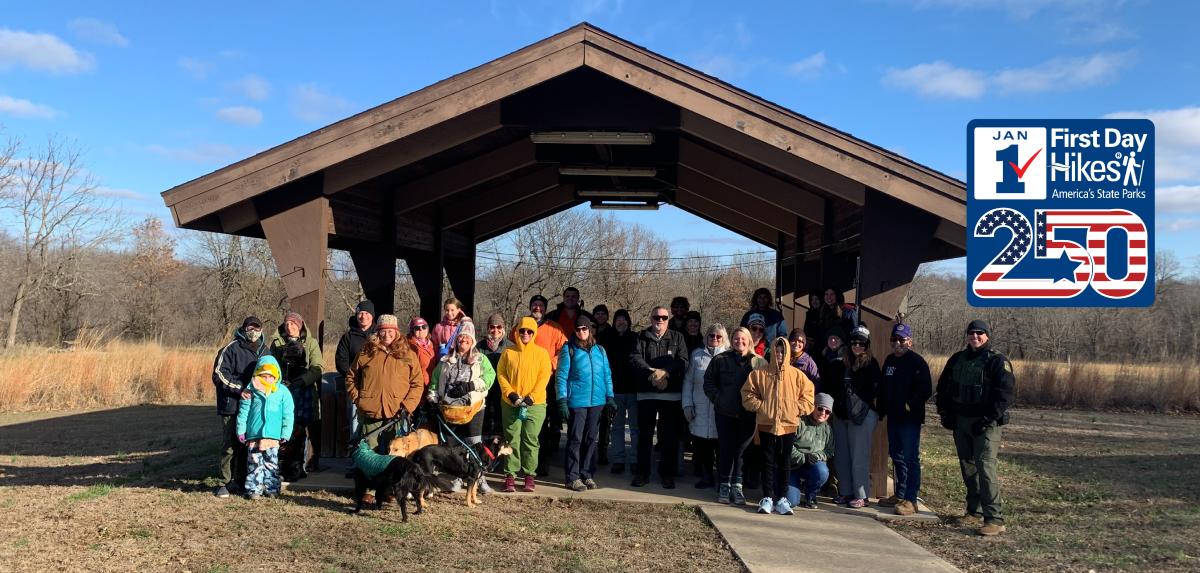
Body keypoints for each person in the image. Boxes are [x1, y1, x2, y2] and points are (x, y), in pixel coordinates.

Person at [935, 319, 1014, 536]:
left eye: (980, 333)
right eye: (972, 333)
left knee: (985, 468)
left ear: (987, 336)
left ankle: (994, 518)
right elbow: (943, 388)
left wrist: (988, 418)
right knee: (967, 467)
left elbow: (1004, 394)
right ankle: (974, 510)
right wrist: (945, 413)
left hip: (986, 424)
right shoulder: (957, 359)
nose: (975, 336)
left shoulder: (997, 361)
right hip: (961, 421)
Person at [742, 337, 815, 515]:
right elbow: (747, 394)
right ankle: (767, 497)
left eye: (783, 351)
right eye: (777, 350)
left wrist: (795, 409)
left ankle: (782, 498)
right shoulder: (760, 373)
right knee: (767, 461)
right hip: (767, 424)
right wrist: (761, 407)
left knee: (785, 462)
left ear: (788, 353)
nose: (780, 354)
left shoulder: (797, 375)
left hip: (788, 425)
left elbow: (809, 396)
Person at [428, 321, 496, 493]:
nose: (463, 341)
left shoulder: (481, 359)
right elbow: (435, 381)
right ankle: (457, 478)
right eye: (461, 338)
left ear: (472, 341)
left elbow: (490, 377)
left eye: (467, 339)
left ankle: (480, 479)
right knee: (453, 446)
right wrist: (432, 399)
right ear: (456, 340)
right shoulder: (445, 360)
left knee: (475, 444)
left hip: (473, 408)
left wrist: (471, 385)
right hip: (450, 409)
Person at [704, 327, 766, 505]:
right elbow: (708, 382)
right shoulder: (720, 360)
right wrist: (718, 398)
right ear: (731, 340)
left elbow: (765, 388)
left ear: (749, 340)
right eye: (736, 339)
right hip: (725, 413)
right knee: (726, 449)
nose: (740, 342)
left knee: (741, 451)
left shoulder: (759, 362)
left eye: (743, 339)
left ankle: (737, 486)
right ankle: (724, 484)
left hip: (748, 415)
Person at [629, 305, 689, 488]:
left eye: (663, 317)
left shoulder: (678, 337)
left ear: (668, 320)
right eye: (656, 317)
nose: (660, 321)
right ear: (651, 318)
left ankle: (666, 474)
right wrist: (652, 373)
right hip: (646, 393)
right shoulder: (640, 337)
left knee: (668, 437)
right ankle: (642, 473)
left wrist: (665, 373)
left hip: (670, 395)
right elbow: (634, 358)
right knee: (644, 435)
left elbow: (683, 361)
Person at [877, 323, 933, 516]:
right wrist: (882, 408)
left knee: (910, 458)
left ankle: (911, 499)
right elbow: (884, 387)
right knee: (896, 456)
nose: (898, 344)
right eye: (894, 340)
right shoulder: (889, 361)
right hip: (893, 418)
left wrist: (909, 405)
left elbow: (925, 389)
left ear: (910, 341)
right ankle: (900, 494)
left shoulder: (917, 362)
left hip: (909, 420)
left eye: (902, 340)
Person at [556, 316, 615, 491]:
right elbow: (561, 376)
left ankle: (587, 474)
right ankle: (572, 477)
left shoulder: (600, 351)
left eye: (585, 328)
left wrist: (610, 397)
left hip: (597, 401)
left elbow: (607, 375)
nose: (581, 332)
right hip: (577, 401)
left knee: (591, 439)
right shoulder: (569, 349)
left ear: (590, 330)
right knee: (575, 439)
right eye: (578, 329)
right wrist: (562, 399)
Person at [211, 316, 268, 498]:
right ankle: (224, 483)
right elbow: (219, 375)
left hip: (254, 407)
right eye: (250, 328)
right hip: (232, 405)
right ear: (243, 329)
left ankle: (243, 481)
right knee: (230, 445)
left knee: (247, 445)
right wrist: (239, 390)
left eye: (257, 328)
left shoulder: (265, 351)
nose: (253, 332)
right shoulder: (231, 349)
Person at [497, 316, 553, 492]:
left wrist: (532, 398)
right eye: (522, 331)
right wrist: (511, 394)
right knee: (512, 439)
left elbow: (544, 377)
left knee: (530, 439)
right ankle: (510, 475)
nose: (526, 334)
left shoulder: (542, 354)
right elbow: (501, 374)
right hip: (511, 403)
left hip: (535, 405)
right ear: (517, 332)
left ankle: (529, 475)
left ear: (534, 332)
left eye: (529, 331)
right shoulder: (508, 353)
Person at [827, 325, 881, 509]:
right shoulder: (840, 363)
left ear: (867, 345)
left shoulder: (872, 365)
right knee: (842, 456)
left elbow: (874, 390)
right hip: (842, 415)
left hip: (862, 416)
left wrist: (858, 403)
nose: (857, 346)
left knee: (859, 456)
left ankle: (862, 495)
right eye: (854, 342)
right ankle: (846, 492)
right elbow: (832, 388)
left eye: (862, 343)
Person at [270, 311, 323, 480]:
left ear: (300, 326)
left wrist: (302, 380)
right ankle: (281, 465)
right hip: (283, 390)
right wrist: (279, 381)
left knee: (302, 429)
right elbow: (271, 365)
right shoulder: (277, 343)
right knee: (284, 428)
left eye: (293, 324)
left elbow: (317, 367)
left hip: (304, 390)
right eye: (287, 324)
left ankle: (301, 465)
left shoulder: (311, 343)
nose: (290, 327)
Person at [236, 355, 294, 500]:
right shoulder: (250, 390)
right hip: (254, 434)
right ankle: (253, 490)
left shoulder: (282, 391)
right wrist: (241, 430)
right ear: (257, 374)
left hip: (273, 436)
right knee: (254, 464)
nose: (267, 379)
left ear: (276, 375)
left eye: (270, 376)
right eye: (263, 375)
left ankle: (272, 488)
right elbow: (243, 412)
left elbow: (288, 414)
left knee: (271, 463)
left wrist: (285, 433)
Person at [682, 323, 728, 489]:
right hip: (699, 409)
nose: (714, 339)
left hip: (721, 410)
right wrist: (687, 405)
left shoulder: (729, 357)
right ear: (706, 336)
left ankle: (723, 479)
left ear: (724, 338)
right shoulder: (696, 356)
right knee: (703, 447)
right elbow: (688, 383)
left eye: (718, 336)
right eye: (711, 335)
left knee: (721, 448)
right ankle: (707, 476)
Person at [528, 294, 569, 476]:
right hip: (525, 382)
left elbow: (564, 351)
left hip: (547, 382)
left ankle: (542, 462)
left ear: (545, 308)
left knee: (543, 423)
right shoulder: (522, 326)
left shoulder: (555, 328)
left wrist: (548, 365)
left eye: (541, 305)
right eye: (534, 305)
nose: (538, 308)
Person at [335, 301, 376, 477]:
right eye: (360, 313)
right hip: (355, 388)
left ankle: (372, 462)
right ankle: (355, 463)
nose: (363, 316)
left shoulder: (379, 334)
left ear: (372, 316)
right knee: (355, 425)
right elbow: (340, 361)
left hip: (375, 389)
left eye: (366, 313)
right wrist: (354, 377)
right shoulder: (348, 337)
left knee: (373, 426)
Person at [599, 308, 639, 475]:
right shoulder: (607, 339)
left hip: (634, 390)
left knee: (636, 428)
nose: (621, 323)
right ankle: (618, 459)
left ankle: (635, 459)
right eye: (618, 320)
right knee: (617, 427)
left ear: (628, 322)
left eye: (624, 320)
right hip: (615, 390)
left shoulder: (636, 338)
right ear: (614, 322)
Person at [786, 393, 835, 510]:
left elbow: (829, 451)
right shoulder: (799, 422)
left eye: (827, 411)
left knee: (822, 471)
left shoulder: (828, 429)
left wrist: (816, 456)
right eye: (820, 408)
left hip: (812, 466)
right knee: (791, 502)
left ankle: (810, 495)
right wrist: (803, 457)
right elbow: (787, 446)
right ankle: (789, 486)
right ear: (813, 406)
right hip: (792, 466)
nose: (823, 413)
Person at [480, 313, 513, 438]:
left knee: (502, 424)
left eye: (499, 327)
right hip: (486, 389)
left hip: (503, 389)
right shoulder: (479, 346)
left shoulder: (510, 346)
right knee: (486, 425)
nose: (495, 330)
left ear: (503, 328)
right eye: (492, 327)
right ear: (488, 328)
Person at [591, 304, 613, 464]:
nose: (600, 316)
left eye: (602, 314)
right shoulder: (589, 334)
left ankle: (603, 450)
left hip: (607, 380)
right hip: (591, 382)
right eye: (597, 313)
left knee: (606, 420)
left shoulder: (612, 333)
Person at [787, 328, 822, 395]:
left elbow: (816, 383)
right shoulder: (783, 357)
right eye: (794, 340)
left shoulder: (809, 362)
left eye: (800, 341)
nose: (796, 343)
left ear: (804, 344)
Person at [407, 317, 436, 386]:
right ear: (412, 331)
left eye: (424, 326)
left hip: (432, 382)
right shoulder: (410, 346)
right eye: (417, 328)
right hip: (419, 383)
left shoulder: (431, 344)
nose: (421, 329)